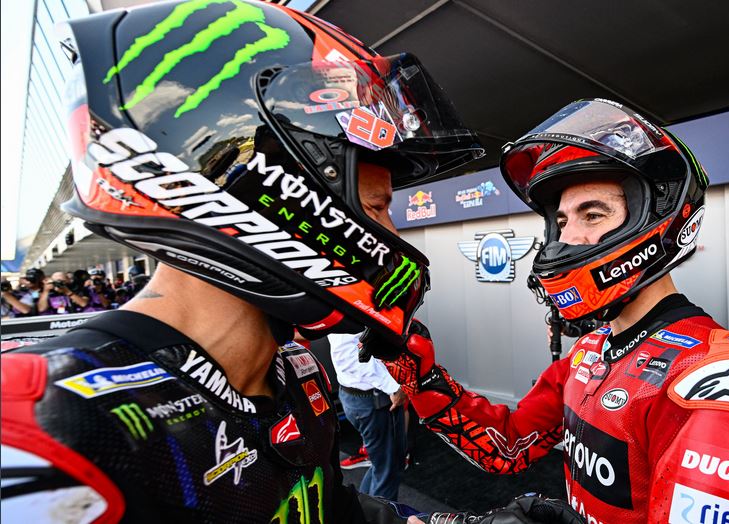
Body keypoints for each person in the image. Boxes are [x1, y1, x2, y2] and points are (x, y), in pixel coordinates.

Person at [0, 1, 483, 522]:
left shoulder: (297, 371)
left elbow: (333, 510)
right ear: (270, 187)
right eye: (376, 207)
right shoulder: (42, 423)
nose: (391, 236)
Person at [367, 99, 729, 523]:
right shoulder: (592, 349)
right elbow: (508, 447)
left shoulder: (718, 385)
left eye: (592, 215)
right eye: (561, 221)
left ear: (656, 221)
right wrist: (419, 375)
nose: (567, 238)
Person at [330, 329, 408, 500]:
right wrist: (392, 386)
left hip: (365, 396)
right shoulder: (347, 317)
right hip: (371, 398)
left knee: (382, 465)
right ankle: (379, 513)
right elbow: (349, 357)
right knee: (388, 469)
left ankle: (364, 510)